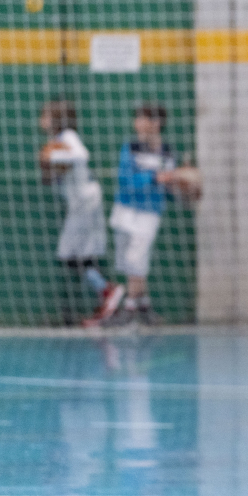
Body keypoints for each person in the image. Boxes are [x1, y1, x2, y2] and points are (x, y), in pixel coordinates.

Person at [38, 100, 126, 326]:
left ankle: (108, 290)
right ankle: (106, 293)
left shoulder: (68, 136)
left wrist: (51, 157)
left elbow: (81, 155)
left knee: (69, 253)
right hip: (81, 203)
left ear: (56, 118)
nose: (41, 119)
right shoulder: (56, 141)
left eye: (45, 115)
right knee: (76, 255)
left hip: (85, 201)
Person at [105, 102, 180, 326]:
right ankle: (145, 306)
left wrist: (180, 186)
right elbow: (126, 180)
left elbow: (171, 187)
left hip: (149, 213)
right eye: (136, 118)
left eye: (142, 118)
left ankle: (129, 308)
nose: (137, 123)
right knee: (128, 263)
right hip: (125, 209)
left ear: (156, 123)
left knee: (135, 259)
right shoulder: (131, 147)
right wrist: (154, 178)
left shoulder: (167, 152)